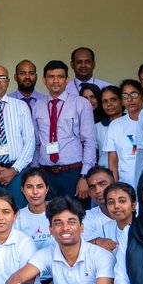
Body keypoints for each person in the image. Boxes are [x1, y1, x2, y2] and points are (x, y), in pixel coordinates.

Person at [32, 60, 96, 201]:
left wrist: (85, 176)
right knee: (48, 217)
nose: (56, 81)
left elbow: (90, 142)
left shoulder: (81, 103)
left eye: (60, 77)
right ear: (44, 80)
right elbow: (37, 143)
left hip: (73, 173)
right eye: (51, 76)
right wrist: (35, 174)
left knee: (75, 216)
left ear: (67, 80)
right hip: (46, 174)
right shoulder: (38, 106)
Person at [0, 64, 35, 208]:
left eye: (2, 78)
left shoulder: (21, 106)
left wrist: (14, 170)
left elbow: (30, 141)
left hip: (17, 172)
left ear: (8, 81)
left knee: (20, 212)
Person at [104, 80, 143, 186]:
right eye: (125, 96)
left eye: (133, 94)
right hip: (126, 185)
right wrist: (115, 188)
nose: (129, 99)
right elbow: (113, 163)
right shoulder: (115, 125)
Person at [15, 168, 54, 278]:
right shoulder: (17, 218)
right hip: (27, 277)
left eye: (40, 186)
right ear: (22, 189)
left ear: (47, 189)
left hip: (57, 276)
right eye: (29, 187)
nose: (35, 192)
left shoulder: (58, 214)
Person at [81, 167, 121, 250]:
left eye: (102, 184)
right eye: (92, 188)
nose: (97, 190)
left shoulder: (136, 210)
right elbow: (79, 250)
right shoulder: (87, 217)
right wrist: (96, 241)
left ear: (114, 183)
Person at [96, 85, 123, 174]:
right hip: (105, 175)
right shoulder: (96, 128)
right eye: (104, 101)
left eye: (113, 100)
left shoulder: (133, 123)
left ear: (122, 101)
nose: (109, 104)